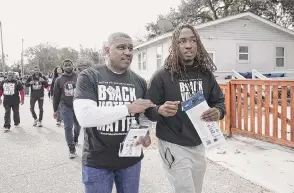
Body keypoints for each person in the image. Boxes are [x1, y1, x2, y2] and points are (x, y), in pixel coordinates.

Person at [144, 24, 226, 193]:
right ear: (175, 46)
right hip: (173, 144)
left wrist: (218, 112)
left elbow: (219, 101)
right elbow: (148, 109)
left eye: (192, 40)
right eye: (182, 41)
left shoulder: (205, 74)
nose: (188, 45)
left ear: (198, 44)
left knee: (196, 189)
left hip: (199, 143)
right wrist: (159, 110)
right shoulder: (162, 76)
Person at [73, 32, 154, 193]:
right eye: (121, 47)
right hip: (98, 162)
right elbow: (85, 117)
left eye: (131, 48)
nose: (128, 52)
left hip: (131, 160)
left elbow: (144, 115)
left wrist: (145, 132)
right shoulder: (89, 76)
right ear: (107, 50)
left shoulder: (139, 81)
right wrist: (128, 108)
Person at [53, 60, 80, 158]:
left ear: (73, 65)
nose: (68, 66)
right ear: (63, 67)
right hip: (65, 106)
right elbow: (56, 96)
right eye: (65, 65)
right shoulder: (59, 80)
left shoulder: (79, 77)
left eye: (69, 64)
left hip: (78, 106)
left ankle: (75, 138)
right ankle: (71, 148)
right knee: (68, 127)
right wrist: (55, 110)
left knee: (78, 125)